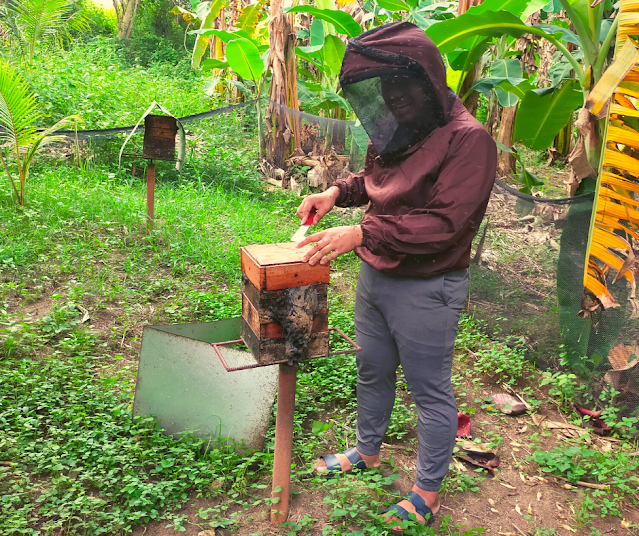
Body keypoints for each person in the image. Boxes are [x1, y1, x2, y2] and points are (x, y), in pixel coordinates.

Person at [295, 22, 497, 532]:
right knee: (372, 369)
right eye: (385, 90)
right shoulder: (397, 128)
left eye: (402, 87)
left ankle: (427, 491)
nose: (393, 98)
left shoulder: (469, 141)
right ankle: (367, 450)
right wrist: (336, 195)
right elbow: (374, 180)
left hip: (428, 286)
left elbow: (444, 224)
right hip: (376, 277)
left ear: (427, 80)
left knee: (428, 390)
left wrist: (360, 235)